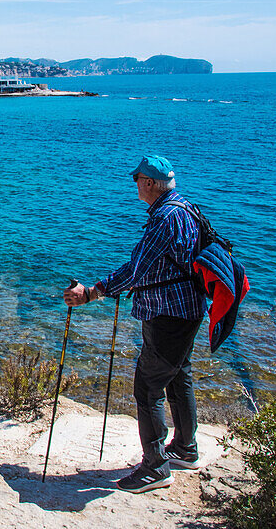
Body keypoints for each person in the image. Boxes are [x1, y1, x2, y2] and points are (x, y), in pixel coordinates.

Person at [64, 154, 205, 494]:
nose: (135, 185)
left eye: (138, 179)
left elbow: (136, 269)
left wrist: (92, 293)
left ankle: (155, 468)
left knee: (147, 386)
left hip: (168, 314)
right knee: (179, 375)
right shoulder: (187, 208)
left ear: (151, 183)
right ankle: (185, 449)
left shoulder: (166, 218)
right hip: (189, 309)